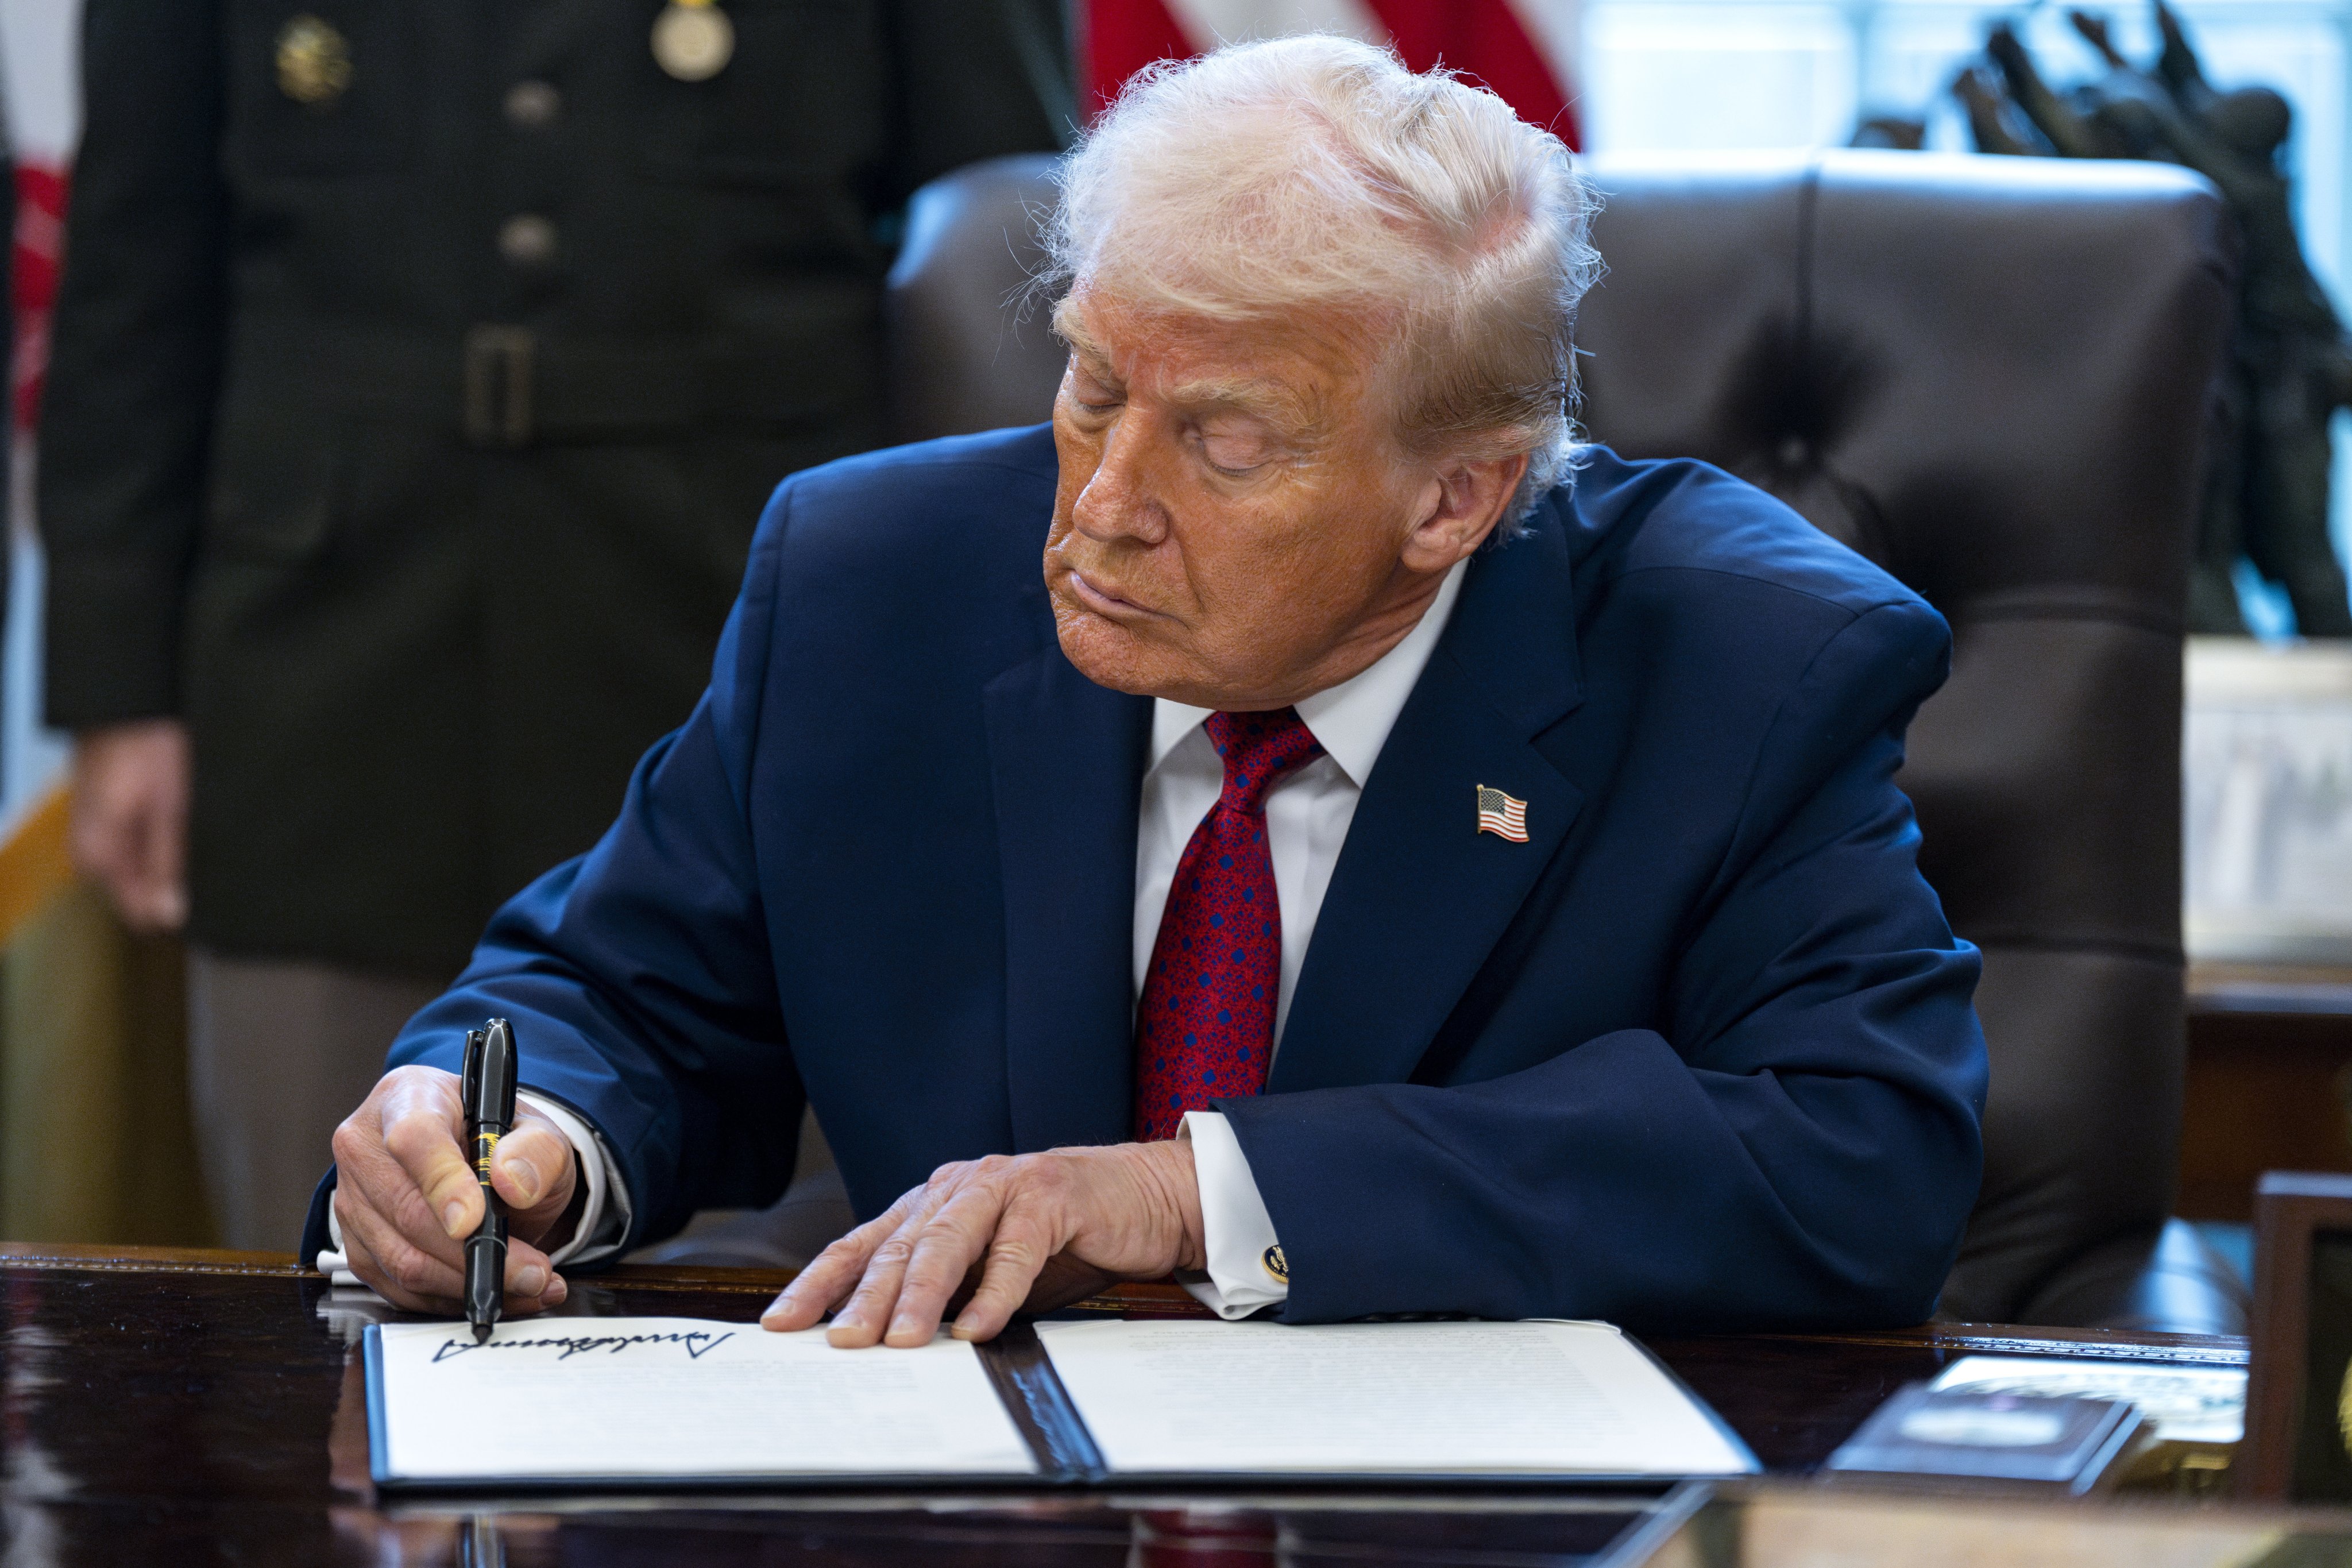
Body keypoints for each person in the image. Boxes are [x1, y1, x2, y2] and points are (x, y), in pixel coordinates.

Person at [311, 36, 1987, 1339]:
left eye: (1225, 441)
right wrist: (510, 1132)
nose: (1105, 500)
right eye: (1095, 386)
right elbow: (622, 990)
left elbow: (1860, 1156)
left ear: (1455, 499)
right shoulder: (869, 579)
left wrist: (1201, 1196)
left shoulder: (1744, 664)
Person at [37, 0, 1072, 1248]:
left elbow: (1012, 262)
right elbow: (133, 274)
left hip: (740, 657)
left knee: (765, 1273)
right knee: (327, 1257)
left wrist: (985, 682)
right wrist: (120, 686)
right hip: (318, 665)